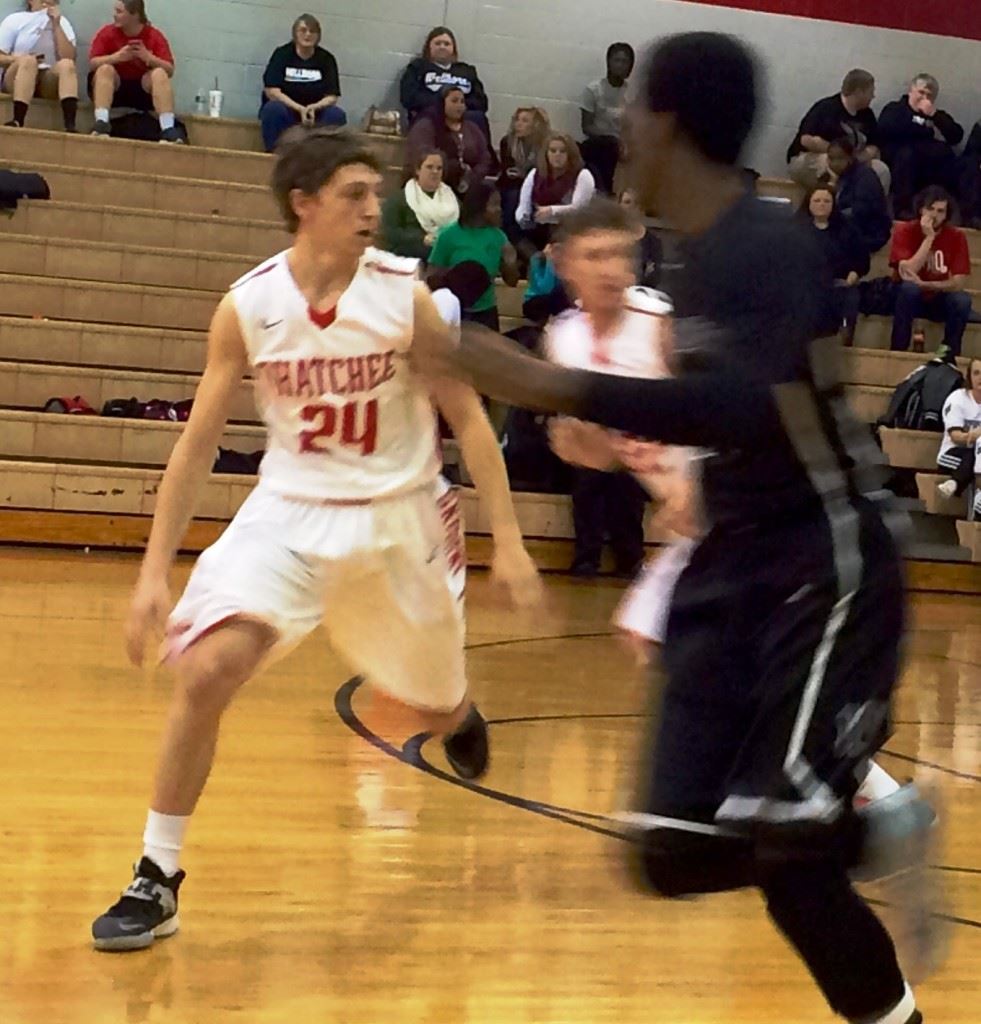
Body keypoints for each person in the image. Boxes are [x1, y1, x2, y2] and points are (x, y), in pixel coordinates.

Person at [439, 32, 943, 1024]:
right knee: (669, 853)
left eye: (632, 116)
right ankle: (868, 837)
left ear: (663, 122)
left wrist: (544, 382)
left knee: (790, 854)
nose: (620, 130)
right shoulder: (696, 260)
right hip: (732, 557)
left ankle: (881, 875)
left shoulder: (770, 246)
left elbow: (739, 409)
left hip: (820, 560)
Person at [89, 128, 542, 952]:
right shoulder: (250, 305)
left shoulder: (404, 299)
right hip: (290, 512)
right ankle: (156, 874)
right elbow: (195, 443)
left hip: (398, 523)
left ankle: (460, 709)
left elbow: (470, 421)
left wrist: (506, 539)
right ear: (304, 205)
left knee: (432, 703)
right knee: (205, 670)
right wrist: (154, 573)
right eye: (355, 195)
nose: (374, 209)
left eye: (376, 194)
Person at [544, 199, 658, 577]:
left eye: (618, 254)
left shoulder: (662, 325)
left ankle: (630, 558)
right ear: (565, 264)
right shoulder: (564, 336)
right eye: (594, 256)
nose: (609, 269)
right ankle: (587, 557)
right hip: (609, 452)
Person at [889, 186, 972, 356]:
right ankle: (899, 348)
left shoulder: (957, 236)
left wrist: (926, 284)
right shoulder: (905, 230)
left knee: (962, 300)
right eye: (930, 209)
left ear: (947, 214)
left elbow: (959, 282)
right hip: (906, 296)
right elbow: (907, 272)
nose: (934, 215)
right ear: (920, 209)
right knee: (909, 289)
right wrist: (929, 238)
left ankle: (948, 352)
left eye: (940, 211)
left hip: (936, 296)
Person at [428, 180, 519, 331]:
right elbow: (431, 278)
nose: (499, 210)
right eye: (494, 204)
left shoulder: (499, 237)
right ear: (479, 207)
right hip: (456, 314)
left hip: (486, 315)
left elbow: (512, 281)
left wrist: (511, 263)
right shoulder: (449, 235)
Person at [88, 0, 180, 143]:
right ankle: (101, 123)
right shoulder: (108, 32)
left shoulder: (153, 35)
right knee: (104, 69)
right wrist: (117, 57)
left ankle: (168, 129)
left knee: (159, 73)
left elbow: (170, 69)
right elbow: (93, 63)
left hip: (143, 90)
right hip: (117, 87)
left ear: (134, 15)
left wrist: (149, 58)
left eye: (119, 12)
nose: (114, 16)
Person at [786, 69, 889, 193]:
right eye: (870, 92)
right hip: (813, 158)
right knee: (833, 164)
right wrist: (840, 155)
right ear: (858, 92)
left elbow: (874, 146)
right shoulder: (826, 108)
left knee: (880, 169)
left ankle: (871, 207)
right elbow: (807, 140)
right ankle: (832, 203)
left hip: (853, 160)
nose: (873, 96)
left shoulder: (867, 115)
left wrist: (859, 157)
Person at [879, 75, 964, 219]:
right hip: (901, 159)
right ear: (911, 91)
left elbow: (956, 136)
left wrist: (934, 115)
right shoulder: (895, 109)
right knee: (907, 155)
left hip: (926, 163)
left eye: (929, 95)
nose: (924, 97)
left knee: (946, 153)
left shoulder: (935, 116)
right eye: (921, 92)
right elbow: (887, 129)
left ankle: (947, 209)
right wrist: (921, 128)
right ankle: (902, 211)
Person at [259, 13, 346, 153]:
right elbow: (272, 91)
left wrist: (313, 107)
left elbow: (332, 96)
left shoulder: (326, 59)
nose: (308, 35)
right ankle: (275, 152)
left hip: (315, 112)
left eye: (312, 31)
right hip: (287, 109)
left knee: (336, 115)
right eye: (303, 30)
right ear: (295, 33)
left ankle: (324, 156)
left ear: (318, 36)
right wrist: (299, 108)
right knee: (272, 109)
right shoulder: (282, 54)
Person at [798, 185, 869, 345]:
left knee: (850, 297)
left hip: (838, 284)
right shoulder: (796, 229)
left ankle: (844, 342)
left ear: (833, 204)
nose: (821, 204)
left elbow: (862, 260)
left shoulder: (847, 229)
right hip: (806, 284)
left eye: (826, 201)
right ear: (808, 203)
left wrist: (854, 273)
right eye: (817, 200)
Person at [399, 25, 489, 140]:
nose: (442, 47)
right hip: (430, 116)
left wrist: (457, 106)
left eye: (447, 44)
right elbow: (408, 98)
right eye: (437, 43)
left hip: (465, 118)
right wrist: (444, 105)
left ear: (453, 48)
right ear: (428, 47)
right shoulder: (417, 67)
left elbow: (481, 102)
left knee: (479, 118)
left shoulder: (466, 70)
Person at [0, 0, 78, 132]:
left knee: (67, 65)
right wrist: (19, 58)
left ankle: (70, 124)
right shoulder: (15, 20)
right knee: (29, 62)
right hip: (18, 74)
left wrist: (56, 25)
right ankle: (18, 119)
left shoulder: (62, 22)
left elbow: (69, 57)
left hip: (47, 79)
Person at [406, 85, 493, 197]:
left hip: (468, 183)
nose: (459, 106)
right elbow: (423, 156)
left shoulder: (472, 128)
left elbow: (485, 158)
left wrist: (473, 176)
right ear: (442, 103)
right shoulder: (426, 126)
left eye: (462, 102)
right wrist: (454, 168)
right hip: (437, 180)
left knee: (484, 190)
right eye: (454, 101)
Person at [517, 133, 596, 254]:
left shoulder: (583, 175)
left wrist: (552, 210)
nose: (557, 155)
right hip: (538, 226)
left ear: (570, 154)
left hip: (569, 228)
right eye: (553, 151)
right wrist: (523, 217)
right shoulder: (535, 173)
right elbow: (523, 203)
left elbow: (579, 209)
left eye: (562, 151)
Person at [381, 150, 459, 261]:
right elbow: (391, 232)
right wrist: (421, 238)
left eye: (439, 168)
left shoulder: (452, 199)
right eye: (429, 167)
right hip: (411, 255)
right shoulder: (400, 199)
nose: (435, 172)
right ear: (418, 170)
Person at [580, 43, 635, 195]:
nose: (620, 65)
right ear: (608, 62)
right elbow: (586, 126)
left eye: (625, 62)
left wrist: (626, 142)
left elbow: (635, 125)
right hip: (599, 142)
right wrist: (614, 139)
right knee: (609, 147)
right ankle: (606, 191)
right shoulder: (593, 89)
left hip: (623, 142)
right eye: (617, 60)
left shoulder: (632, 93)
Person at [827, 136, 893, 257]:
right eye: (831, 159)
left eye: (840, 159)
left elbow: (861, 211)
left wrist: (833, 218)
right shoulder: (840, 176)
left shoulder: (865, 177)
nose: (834, 163)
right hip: (851, 228)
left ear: (850, 158)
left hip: (869, 233)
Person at [499, 106, 550, 245]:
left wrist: (526, 174)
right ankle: (511, 241)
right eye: (517, 120)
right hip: (512, 186)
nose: (518, 124)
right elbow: (505, 170)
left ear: (536, 126)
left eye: (525, 121)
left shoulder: (546, 146)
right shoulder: (507, 142)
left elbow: (545, 173)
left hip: (537, 187)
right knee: (513, 198)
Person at [936, 357, 981, 512]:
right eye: (976, 373)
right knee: (974, 457)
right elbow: (955, 436)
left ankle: (956, 484)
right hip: (952, 455)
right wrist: (972, 436)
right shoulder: (958, 399)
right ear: (969, 376)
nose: (980, 378)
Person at [619, 188, 663, 288]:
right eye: (626, 202)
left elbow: (654, 276)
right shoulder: (610, 236)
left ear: (640, 208)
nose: (629, 207)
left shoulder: (653, 242)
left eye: (635, 203)